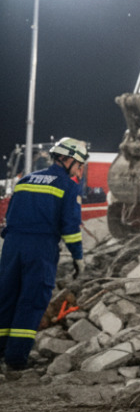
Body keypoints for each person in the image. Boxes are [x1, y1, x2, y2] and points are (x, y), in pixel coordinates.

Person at [0, 137, 87, 371]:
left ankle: (1, 350)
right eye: (79, 163)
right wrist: (78, 257)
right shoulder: (68, 186)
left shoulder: (25, 181)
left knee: (6, 297)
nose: (80, 169)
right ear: (66, 159)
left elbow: (11, 215)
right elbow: (70, 227)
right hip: (40, 248)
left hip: (12, 245)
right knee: (32, 300)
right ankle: (16, 360)